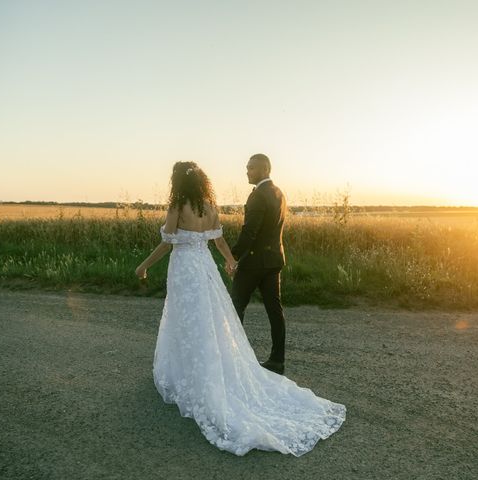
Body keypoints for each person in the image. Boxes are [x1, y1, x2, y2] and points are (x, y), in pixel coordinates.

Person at [135, 161, 345, 456]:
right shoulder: (208, 206)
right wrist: (230, 261)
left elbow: (168, 243)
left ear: (177, 182)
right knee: (209, 320)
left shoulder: (177, 206)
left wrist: (143, 267)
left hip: (184, 270)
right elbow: (219, 240)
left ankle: (190, 375)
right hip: (205, 268)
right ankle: (210, 368)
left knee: (186, 321)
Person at [231, 153, 287, 375]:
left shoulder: (258, 195)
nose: (247, 171)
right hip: (274, 260)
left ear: (265, 170)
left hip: (254, 262)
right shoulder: (279, 193)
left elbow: (249, 232)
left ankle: (234, 359)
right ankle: (277, 361)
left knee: (235, 308)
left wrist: (233, 256)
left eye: (251, 168)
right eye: (247, 167)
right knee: (275, 310)